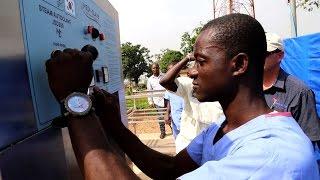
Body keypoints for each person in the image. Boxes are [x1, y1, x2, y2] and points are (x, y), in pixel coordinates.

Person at [46, 14, 318, 179]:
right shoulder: (224, 130)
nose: (192, 72)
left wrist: (76, 99)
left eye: (201, 61)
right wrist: (111, 122)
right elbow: (168, 167)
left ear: (238, 65)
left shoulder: (267, 155)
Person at [263, 32, 320, 147]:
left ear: (280, 55)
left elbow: (309, 140)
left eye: (264, 53)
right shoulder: (246, 86)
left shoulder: (300, 92)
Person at [159, 55, 224, 152]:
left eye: (201, 64)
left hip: (214, 143)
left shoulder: (222, 88)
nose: (194, 71)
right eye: (195, 64)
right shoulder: (189, 84)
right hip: (188, 142)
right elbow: (165, 81)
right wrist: (187, 58)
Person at [163, 62, 184, 140]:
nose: (171, 72)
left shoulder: (185, 82)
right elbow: (169, 100)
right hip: (175, 118)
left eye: (173, 69)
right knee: (177, 140)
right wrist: (167, 113)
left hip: (186, 119)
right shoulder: (168, 86)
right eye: (169, 71)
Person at [147, 62, 166, 139]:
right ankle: (163, 132)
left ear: (159, 68)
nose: (155, 69)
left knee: (171, 115)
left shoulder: (164, 76)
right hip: (157, 101)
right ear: (152, 69)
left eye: (156, 67)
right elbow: (149, 91)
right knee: (161, 117)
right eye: (153, 68)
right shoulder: (150, 79)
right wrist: (150, 101)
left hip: (167, 99)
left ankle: (174, 130)